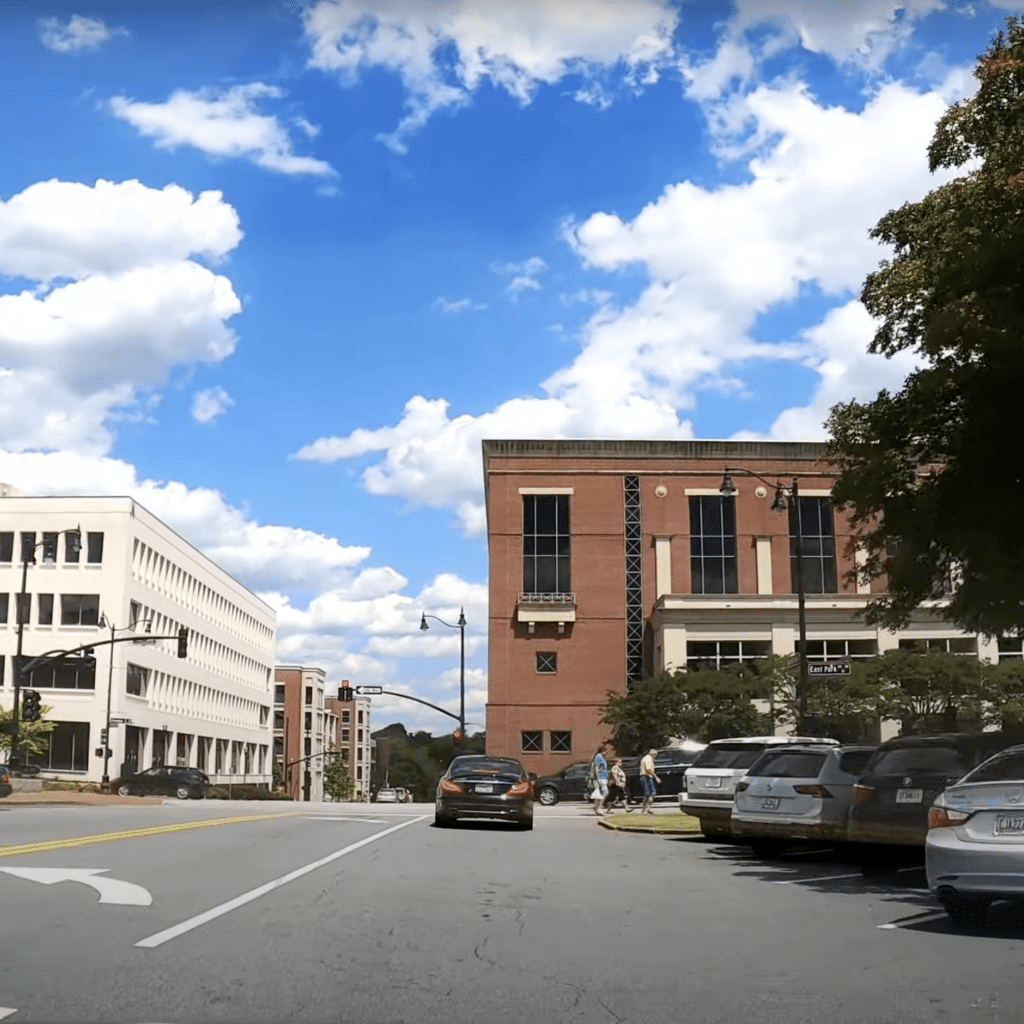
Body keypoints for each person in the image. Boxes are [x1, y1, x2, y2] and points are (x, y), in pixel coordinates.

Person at [589, 744, 609, 816]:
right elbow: (596, 767)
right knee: (605, 792)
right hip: (600, 777)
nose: (606, 753)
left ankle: (596, 807)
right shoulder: (598, 756)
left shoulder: (601, 757)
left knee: (599, 793)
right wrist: (598, 777)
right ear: (603, 750)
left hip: (603, 777)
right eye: (605, 751)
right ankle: (599, 808)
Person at [639, 748, 661, 815]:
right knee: (651, 793)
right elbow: (648, 769)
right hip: (647, 777)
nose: (655, 757)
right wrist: (656, 777)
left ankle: (644, 810)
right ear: (653, 754)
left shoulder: (645, 758)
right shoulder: (648, 759)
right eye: (655, 755)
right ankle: (647, 809)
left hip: (645, 776)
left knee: (647, 794)